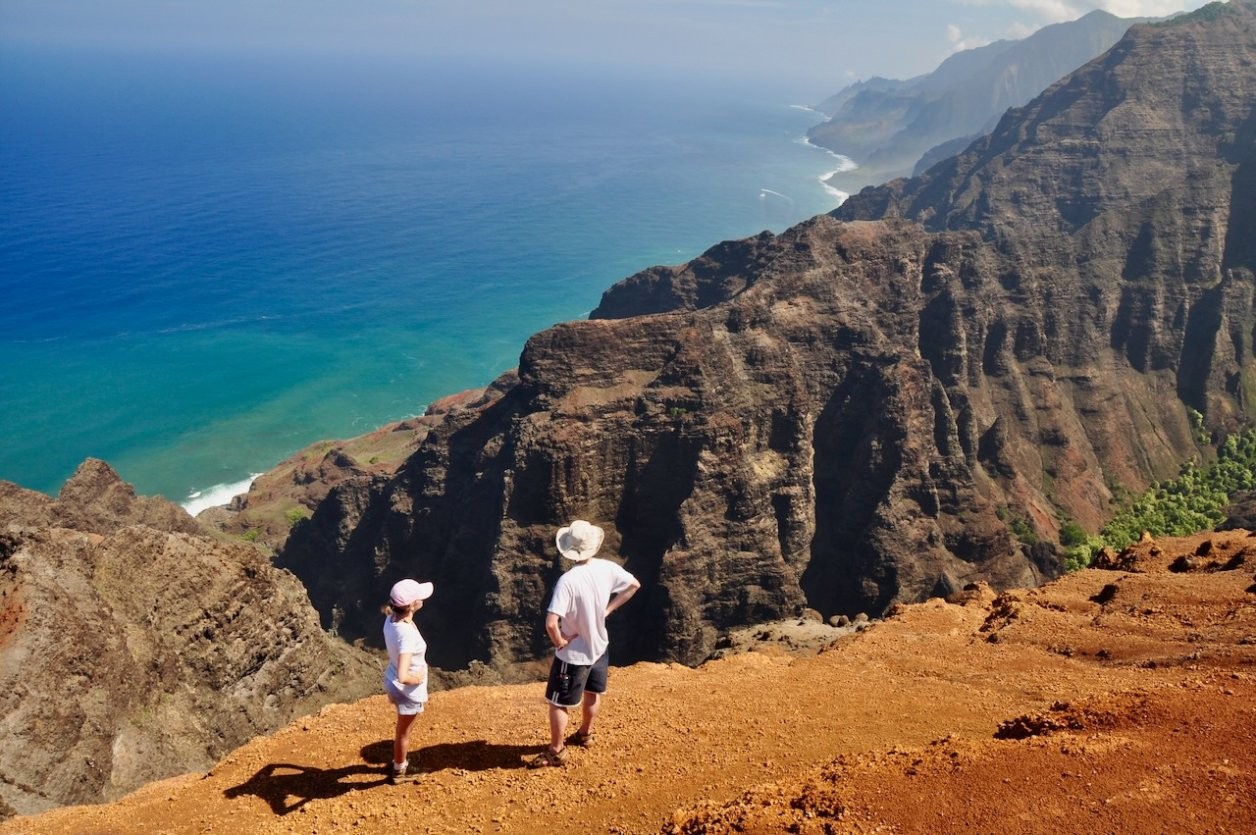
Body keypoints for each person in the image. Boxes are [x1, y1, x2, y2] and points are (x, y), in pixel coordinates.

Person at [530, 519, 640, 768]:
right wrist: (607, 610)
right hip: (600, 648)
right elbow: (634, 585)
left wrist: (560, 642)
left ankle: (556, 751)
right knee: (593, 693)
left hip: (574, 656)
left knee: (558, 703)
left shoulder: (568, 581)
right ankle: (585, 734)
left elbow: (551, 622)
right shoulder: (606, 568)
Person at [382, 578, 434, 784]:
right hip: (406, 690)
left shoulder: (390, 619)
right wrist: (417, 678)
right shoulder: (406, 636)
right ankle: (400, 769)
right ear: (411, 605)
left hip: (390, 679)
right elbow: (404, 676)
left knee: (403, 729)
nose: (422, 599)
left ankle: (399, 757)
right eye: (418, 597)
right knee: (403, 732)